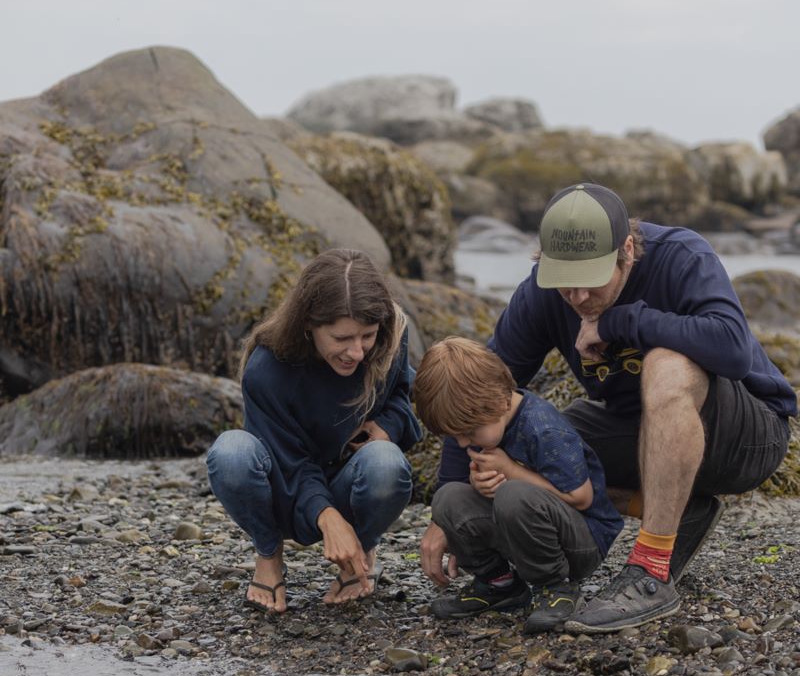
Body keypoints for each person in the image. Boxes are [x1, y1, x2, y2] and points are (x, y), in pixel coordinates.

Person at [421, 182, 797, 632]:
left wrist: (620, 320)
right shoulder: (541, 295)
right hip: (637, 430)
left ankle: (651, 571)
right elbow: (475, 395)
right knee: (537, 434)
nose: (577, 296)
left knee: (667, 364)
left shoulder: (682, 257)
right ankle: (526, 573)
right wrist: (445, 511)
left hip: (745, 437)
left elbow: (733, 349)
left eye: (590, 280)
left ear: (628, 250)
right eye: (564, 282)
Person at [207, 248, 421, 612]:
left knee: (386, 462)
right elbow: (291, 463)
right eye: (342, 339)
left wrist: (388, 426)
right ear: (308, 324)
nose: (356, 352)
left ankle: (361, 551)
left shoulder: (389, 334)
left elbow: (406, 393)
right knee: (231, 452)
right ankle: (268, 555)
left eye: (366, 336)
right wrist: (327, 516)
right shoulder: (268, 368)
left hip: (348, 485)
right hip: (283, 491)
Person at [413, 337, 623, 632]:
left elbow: (581, 496)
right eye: (454, 436)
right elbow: (489, 491)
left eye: (468, 432)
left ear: (500, 401)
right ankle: (499, 584)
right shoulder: (488, 425)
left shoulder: (543, 428)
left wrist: (510, 471)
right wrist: (479, 483)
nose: (462, 443)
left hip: (580, 543)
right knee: (448, 498)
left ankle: (556, 587)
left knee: (514, 494)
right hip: (524, 533)